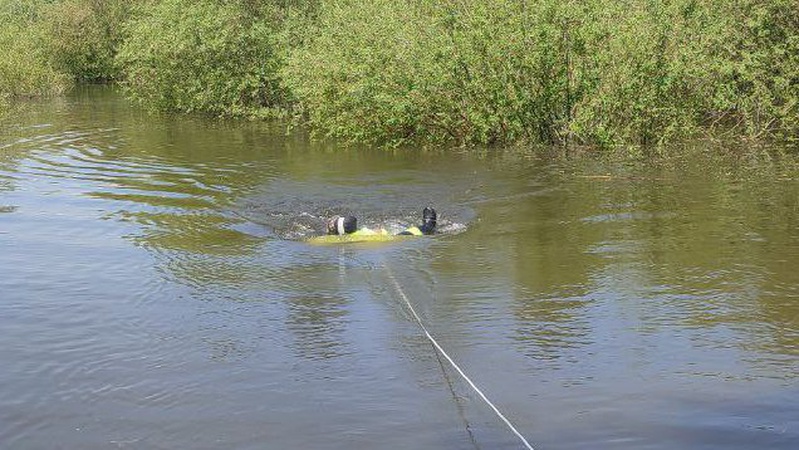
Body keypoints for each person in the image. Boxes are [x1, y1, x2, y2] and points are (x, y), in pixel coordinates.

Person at [326, 207, 437, 237]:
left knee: (428, 229)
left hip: (404, 236)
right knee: (427, 228)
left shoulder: (354, 238)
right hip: (404, 235)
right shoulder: (361, 232)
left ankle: (430, 220)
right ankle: (429, 217)